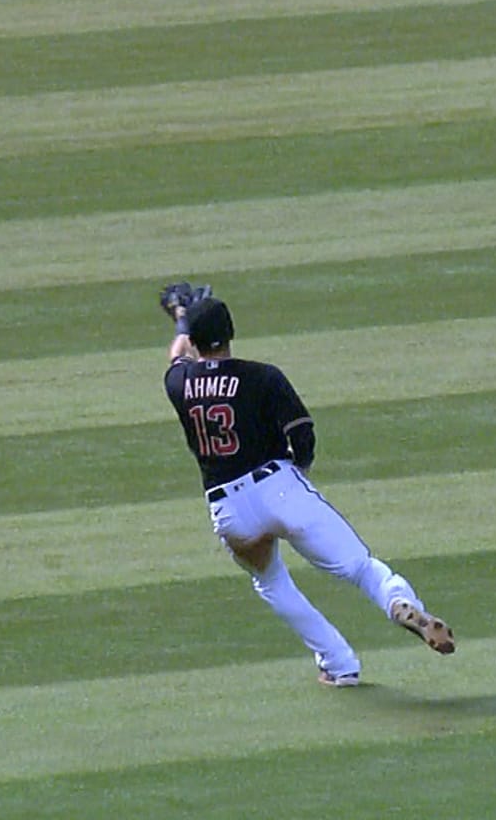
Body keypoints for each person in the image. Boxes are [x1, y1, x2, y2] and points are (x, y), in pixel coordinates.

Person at [163, 293, 455, 687]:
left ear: (195, 341)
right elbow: (302, 433)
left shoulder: (179, 382)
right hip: (279, 487)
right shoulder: (262, 376)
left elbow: (178, 355)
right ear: (231, 332)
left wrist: (181, 318)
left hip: (229, 509)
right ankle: (401, 604)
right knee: (361, 569)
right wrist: (296, 470)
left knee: (271, 583)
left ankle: (338, 664)